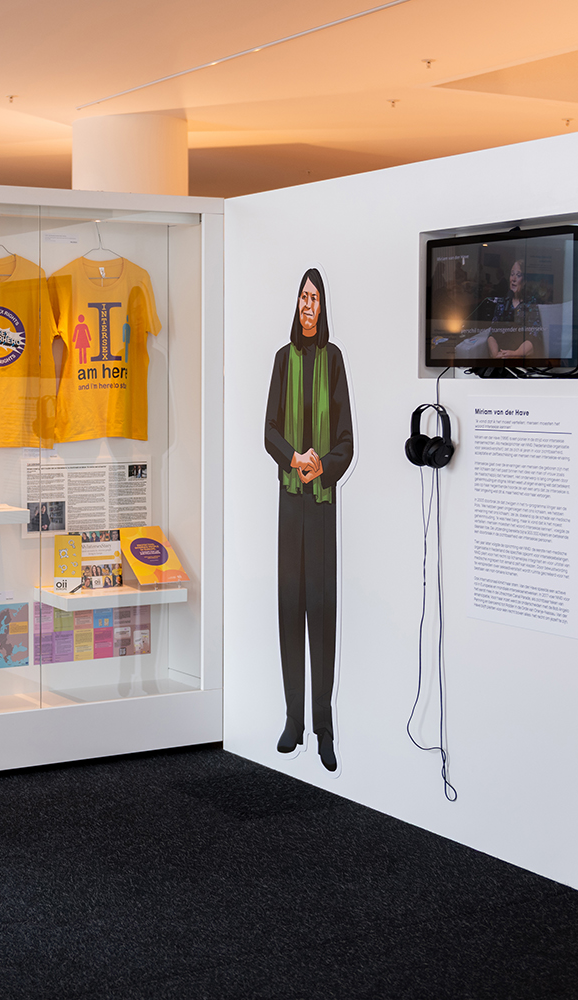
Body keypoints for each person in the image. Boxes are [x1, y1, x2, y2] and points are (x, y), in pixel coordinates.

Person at [264, 267, 354, 772]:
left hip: (320, 504)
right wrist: (294, 457)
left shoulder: (333, 360)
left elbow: (346, 440)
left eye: (315, 297)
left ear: (323, 306)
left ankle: (324, 727)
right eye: (303, 295)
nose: (308, 304)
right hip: (289, 502)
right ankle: (293, 721)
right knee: (288, 609)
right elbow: (269, 431)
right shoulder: (283, 359)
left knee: (320, 611)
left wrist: (322, 466)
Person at [483, 259, 541, 359]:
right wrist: (496, 355)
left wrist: (515, 354)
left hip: (520, 360)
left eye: (518, 275)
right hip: (500, 357)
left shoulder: (531, 303)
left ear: (525, 281)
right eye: (512, 274)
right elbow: (492, 334)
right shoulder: (502, 302)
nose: (513, 279)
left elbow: (534, 338)